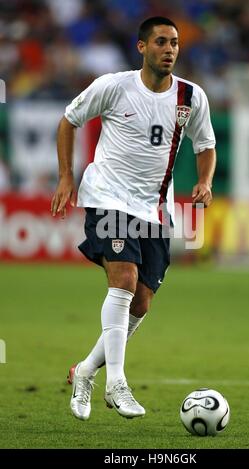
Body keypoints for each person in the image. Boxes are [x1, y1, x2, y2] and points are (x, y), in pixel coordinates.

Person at [51, 16, 216, 421]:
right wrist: (66, 176)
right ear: (142, 47)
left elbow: (206, 144)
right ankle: (117, 383)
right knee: (123, 279)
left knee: (140, 302)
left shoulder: (191, 97)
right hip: (108, 196)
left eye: (175, 42)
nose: (170, 49)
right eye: (161, 41)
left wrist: (206, 180)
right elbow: (69, 120)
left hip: (155, 208)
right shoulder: (113, 86)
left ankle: (86, 370)